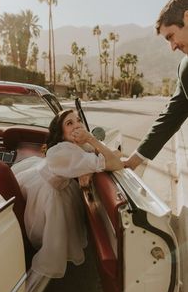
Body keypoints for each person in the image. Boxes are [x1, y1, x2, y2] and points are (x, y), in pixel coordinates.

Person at [11, 109, 123, 278]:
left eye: (78, 121)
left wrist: (89, 169)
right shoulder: (61, 151)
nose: (77, 126)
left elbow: (116, 155)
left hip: (55, 183)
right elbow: (116, 163)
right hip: (47, 192)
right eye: (69, 123)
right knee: (53, 244)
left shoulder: (76, 146)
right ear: (61, 134)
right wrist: (92, 140)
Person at [124, 0, 188, 170]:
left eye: (171, 36)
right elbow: (171, 117)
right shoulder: (186, 69)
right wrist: (131, 162)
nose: (173, 47)